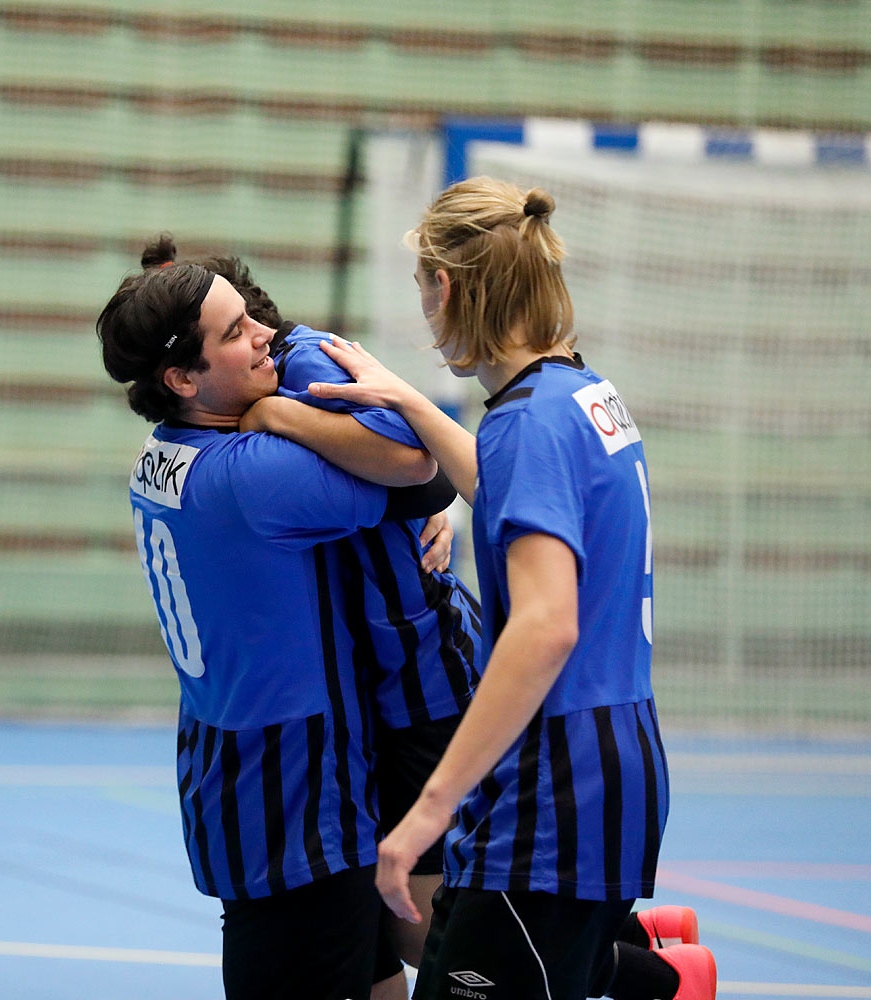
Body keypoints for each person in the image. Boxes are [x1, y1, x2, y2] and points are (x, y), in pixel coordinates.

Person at [304, 178, 718, 1000]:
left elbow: (544, 626)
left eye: (422, 289)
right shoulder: (579, 393)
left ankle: (662, 981)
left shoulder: (525, 423)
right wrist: (412, 404)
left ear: (446, 288)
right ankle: (667, 979)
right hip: (616, 761)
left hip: (551, 793)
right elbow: (508, 491)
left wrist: (429, 810)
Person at [97, 248, 454, 1000]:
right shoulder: (252, 475)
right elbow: (420, 466)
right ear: (183, 379)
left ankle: (630, 961)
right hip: (295, 784)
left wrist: (265, 391)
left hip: (229, 765)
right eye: (236, 332)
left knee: (388, 954)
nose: (265, 334)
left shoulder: (163, 454)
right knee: (394, 941)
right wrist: (285, 405)